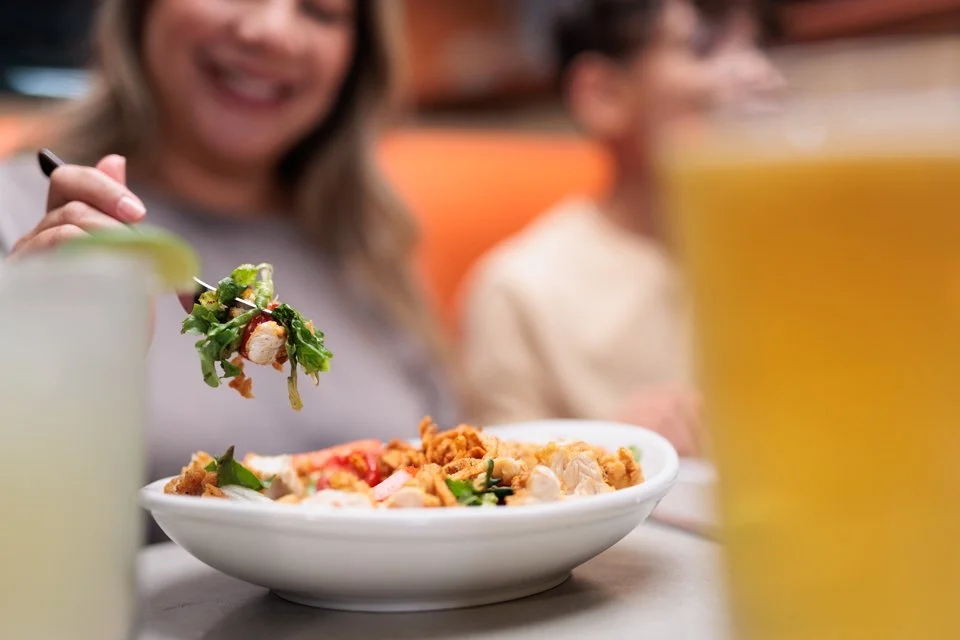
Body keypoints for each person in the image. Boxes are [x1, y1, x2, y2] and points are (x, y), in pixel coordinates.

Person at [0, 0, 458, 538]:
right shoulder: (24, 223)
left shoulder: (367, 248)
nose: (272, 32)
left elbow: (450, 485)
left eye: (321, 10)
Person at [458, 0, 782, 457]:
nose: (761, 73)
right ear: (603, 94)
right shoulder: (518, 292)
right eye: (704, 47)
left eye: (759, 45)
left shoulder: (803, 253)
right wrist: (608, 452)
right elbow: (499, 495)